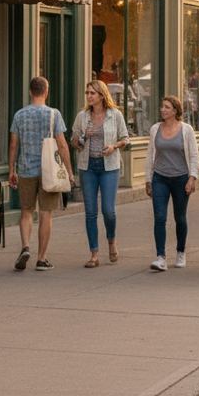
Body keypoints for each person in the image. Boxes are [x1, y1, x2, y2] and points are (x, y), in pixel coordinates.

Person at [8, 76, 73, 272]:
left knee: (26, 211)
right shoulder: (53, 114)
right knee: (46, 214)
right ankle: (42, 258)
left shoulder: (19, 115)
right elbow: (62, 144)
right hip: (49, 172)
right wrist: (69, 171)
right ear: (46, 91)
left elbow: (13, 145)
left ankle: (25, 246)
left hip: (26, 168)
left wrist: (12, 169)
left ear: (30, 91)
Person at [72, 80, 130, 268]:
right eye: (87, 93)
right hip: (87, 166)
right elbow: (75, 142)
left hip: (109, 167)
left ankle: (111, 241)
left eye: (92, 93)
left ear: (102, 95)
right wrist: (83, 137)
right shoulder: (82, 117)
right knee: (90, 212)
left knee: (108, 210)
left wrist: (113, 146)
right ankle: (94, 254)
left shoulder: (115, 115)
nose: (89, 96)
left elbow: (125, 139)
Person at [145, 96, 199, 272]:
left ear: (175, 111)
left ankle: (181, 252)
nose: (163, 110)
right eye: (162, 107)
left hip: (181, 178)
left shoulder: (186, 130)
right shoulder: (155, 129)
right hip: (160, 178)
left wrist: (192, 177)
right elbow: (149, 155)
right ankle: (160, 257)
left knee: (180, 218)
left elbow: (193, 155)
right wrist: (148, 179)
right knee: (160, 217)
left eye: (167, 107)